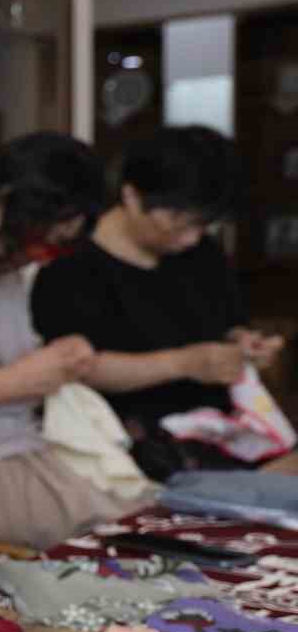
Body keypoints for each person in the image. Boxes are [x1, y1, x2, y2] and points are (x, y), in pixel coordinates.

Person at [0, 133, 158, 551]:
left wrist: (57, 362)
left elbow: (6, 356)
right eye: (36, 244)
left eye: (54, 251)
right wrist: (22, 379)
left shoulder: (0, 258)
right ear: (0, 203)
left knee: (151, 518)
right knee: (120, 539)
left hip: (22, 442)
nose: (35, 259)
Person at [32, 126, 293, 476]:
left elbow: (227, 324)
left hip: (223, 433)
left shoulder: (202, 254)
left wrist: (244, 344)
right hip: (131, 446)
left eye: (203, 226)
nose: (190, 238)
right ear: (132, 197)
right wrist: (184, 363)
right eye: (178, 222)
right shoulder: (70, 268)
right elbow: (78, 367)